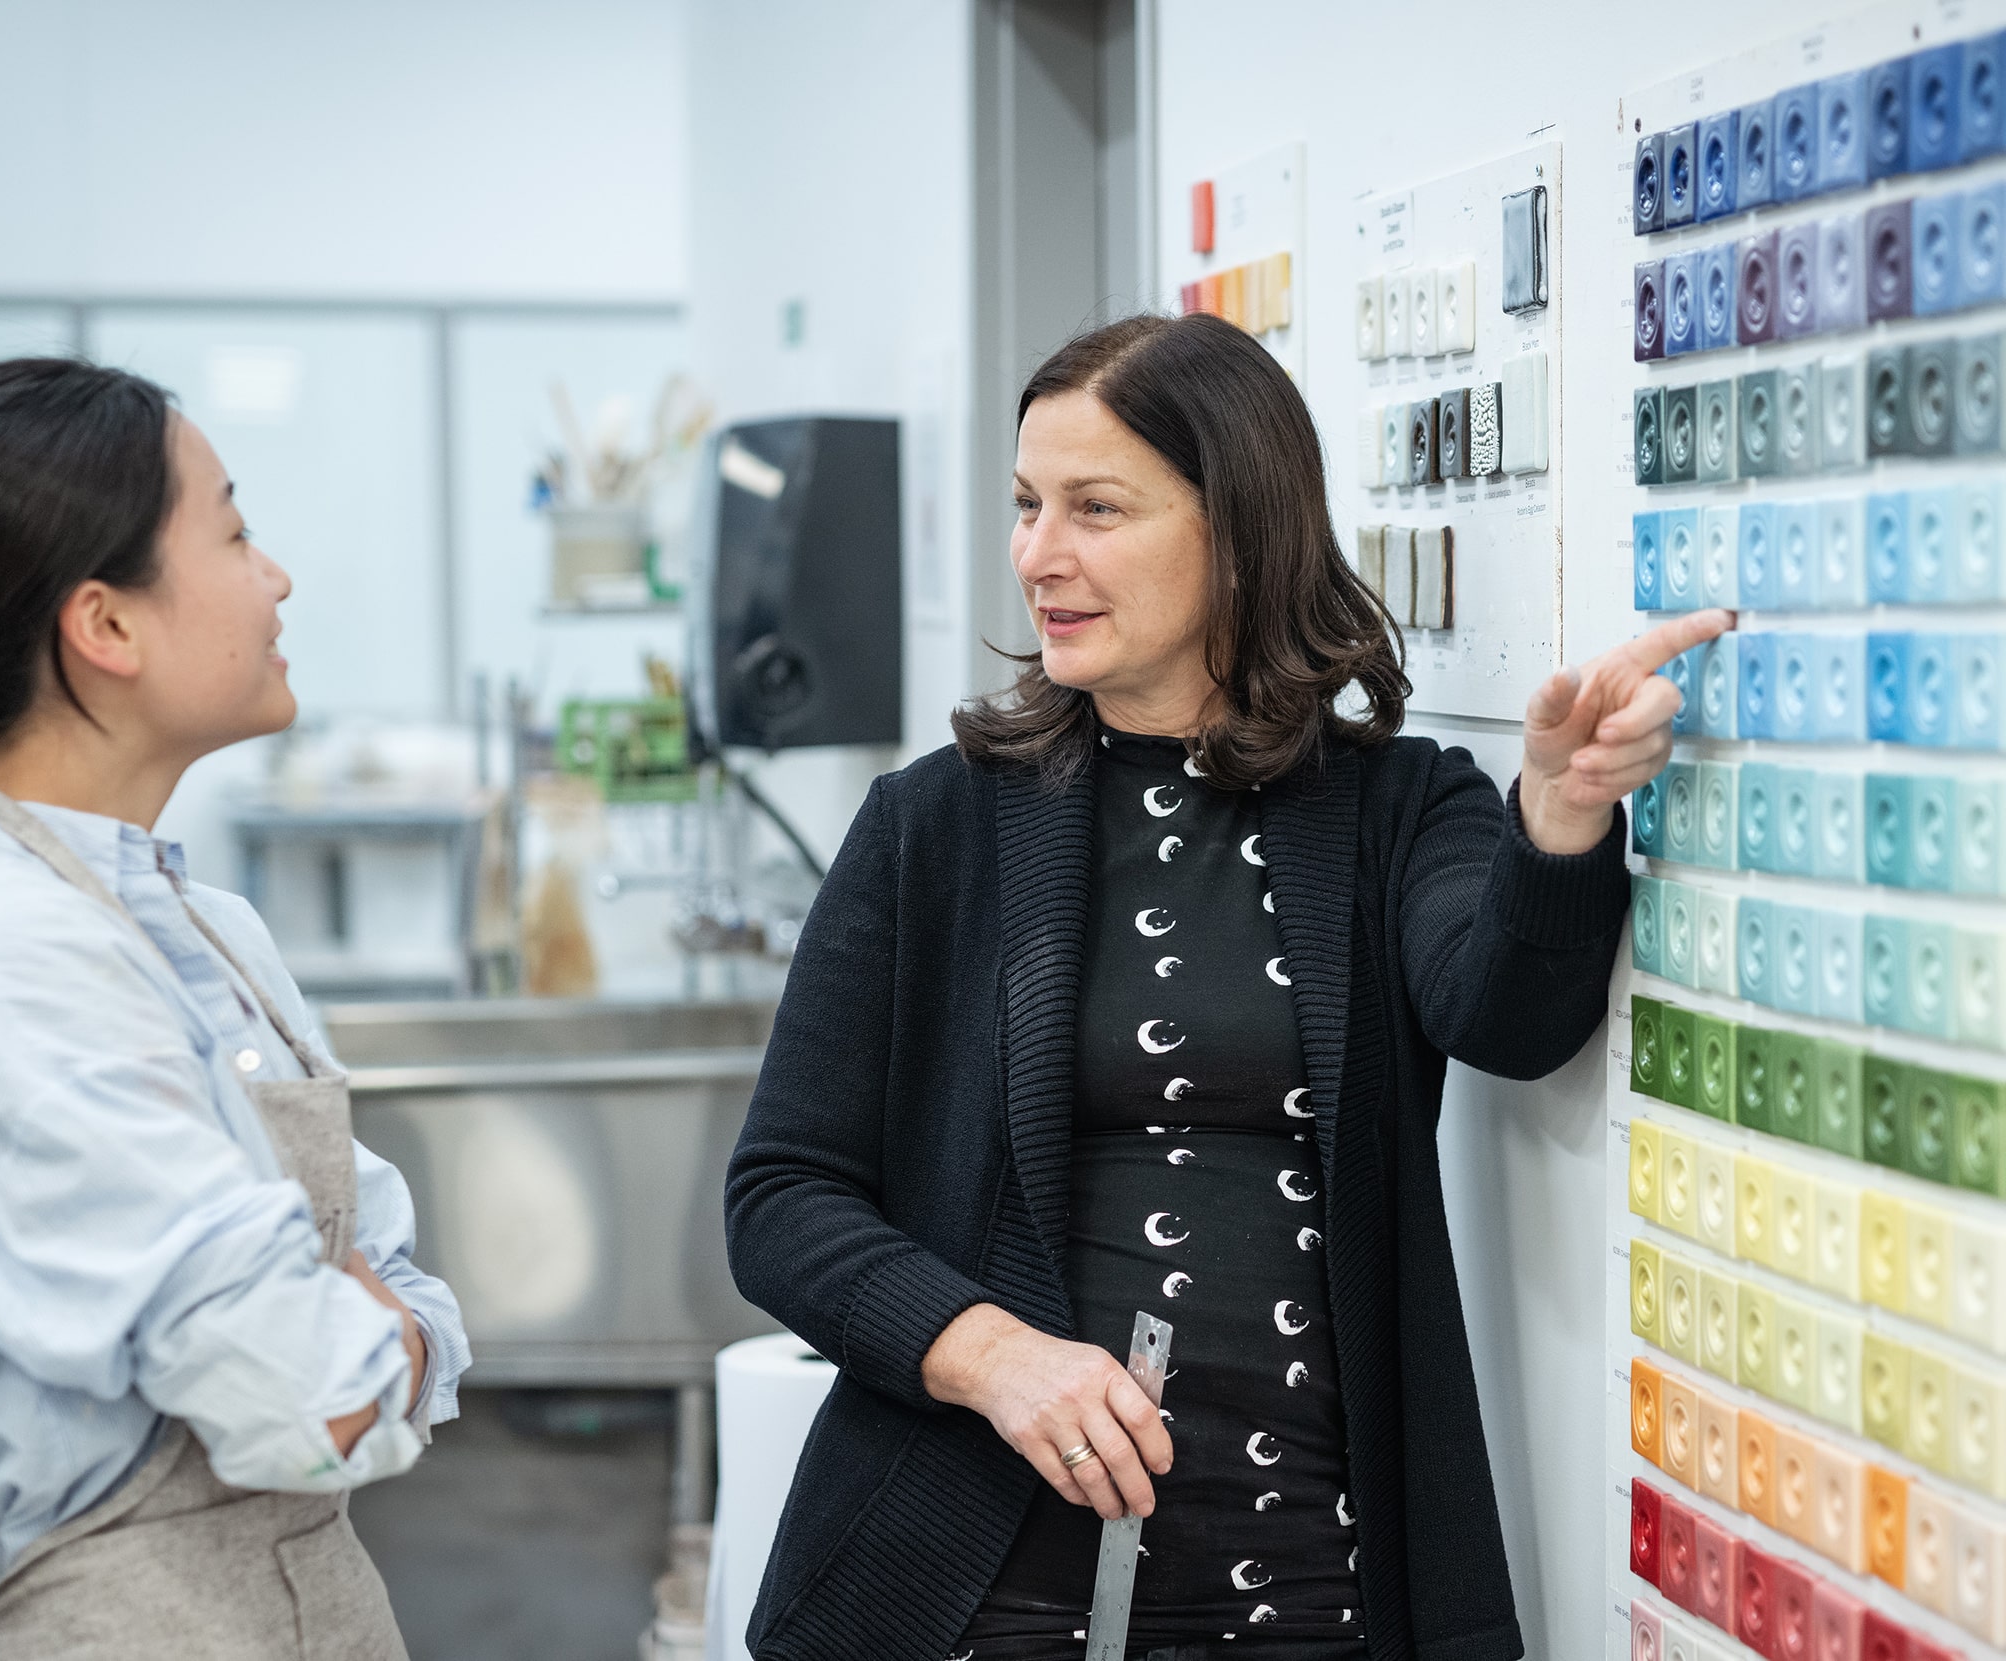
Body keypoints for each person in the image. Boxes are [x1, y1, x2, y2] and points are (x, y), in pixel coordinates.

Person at [724, 312, 1728, 1661]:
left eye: (1095, 508)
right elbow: (781, 1197)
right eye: (1028, 506)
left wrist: (1556, 814)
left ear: (1239, 529)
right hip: (979, 1585)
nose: (1037, 556)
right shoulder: (935, 827)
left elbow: (1509, 1014)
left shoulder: (1395, 805)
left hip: (1307, 1583)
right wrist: (991, 1354)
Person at [0, 356, 471, 1661]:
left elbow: (402, 1305)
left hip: (304, 1607)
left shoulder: (196, 924)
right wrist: (370, 1335)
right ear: (108, 624)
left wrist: (375, 1328)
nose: (279, 577)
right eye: (239, 532)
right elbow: (312, 1393)